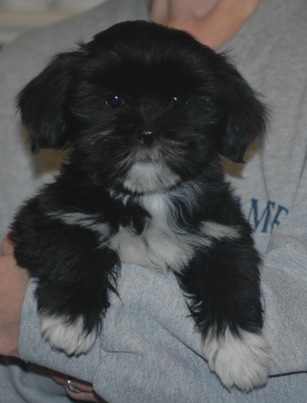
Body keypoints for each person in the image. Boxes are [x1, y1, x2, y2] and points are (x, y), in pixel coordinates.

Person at [0, 0, 306, 401]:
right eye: (113, 102)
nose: (147, 128)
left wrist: (33, 325)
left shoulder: (217, 227)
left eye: (178, 103)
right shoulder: (19, 59)